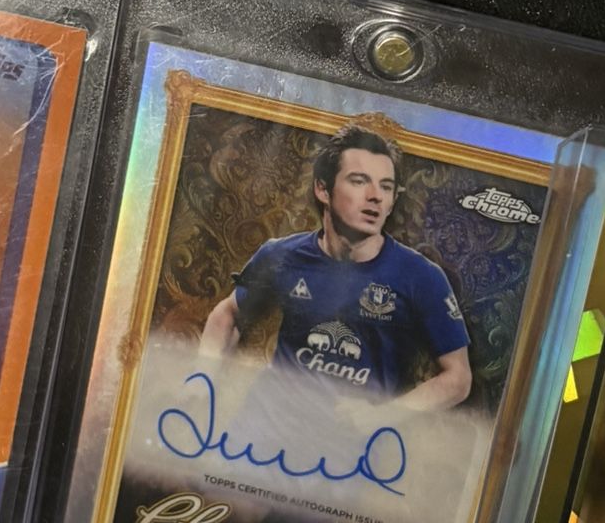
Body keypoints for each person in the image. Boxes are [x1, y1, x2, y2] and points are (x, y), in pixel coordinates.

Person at [199, 124, 471, 410]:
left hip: (351, 434)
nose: (375, 196)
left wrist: (382, 416)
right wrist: (200, 380)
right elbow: (228, 315)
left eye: (386, 186)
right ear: (323, 189)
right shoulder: (282, 255)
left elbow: (458, 378)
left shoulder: (421, 276)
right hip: (266, 425)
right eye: (359, 181)